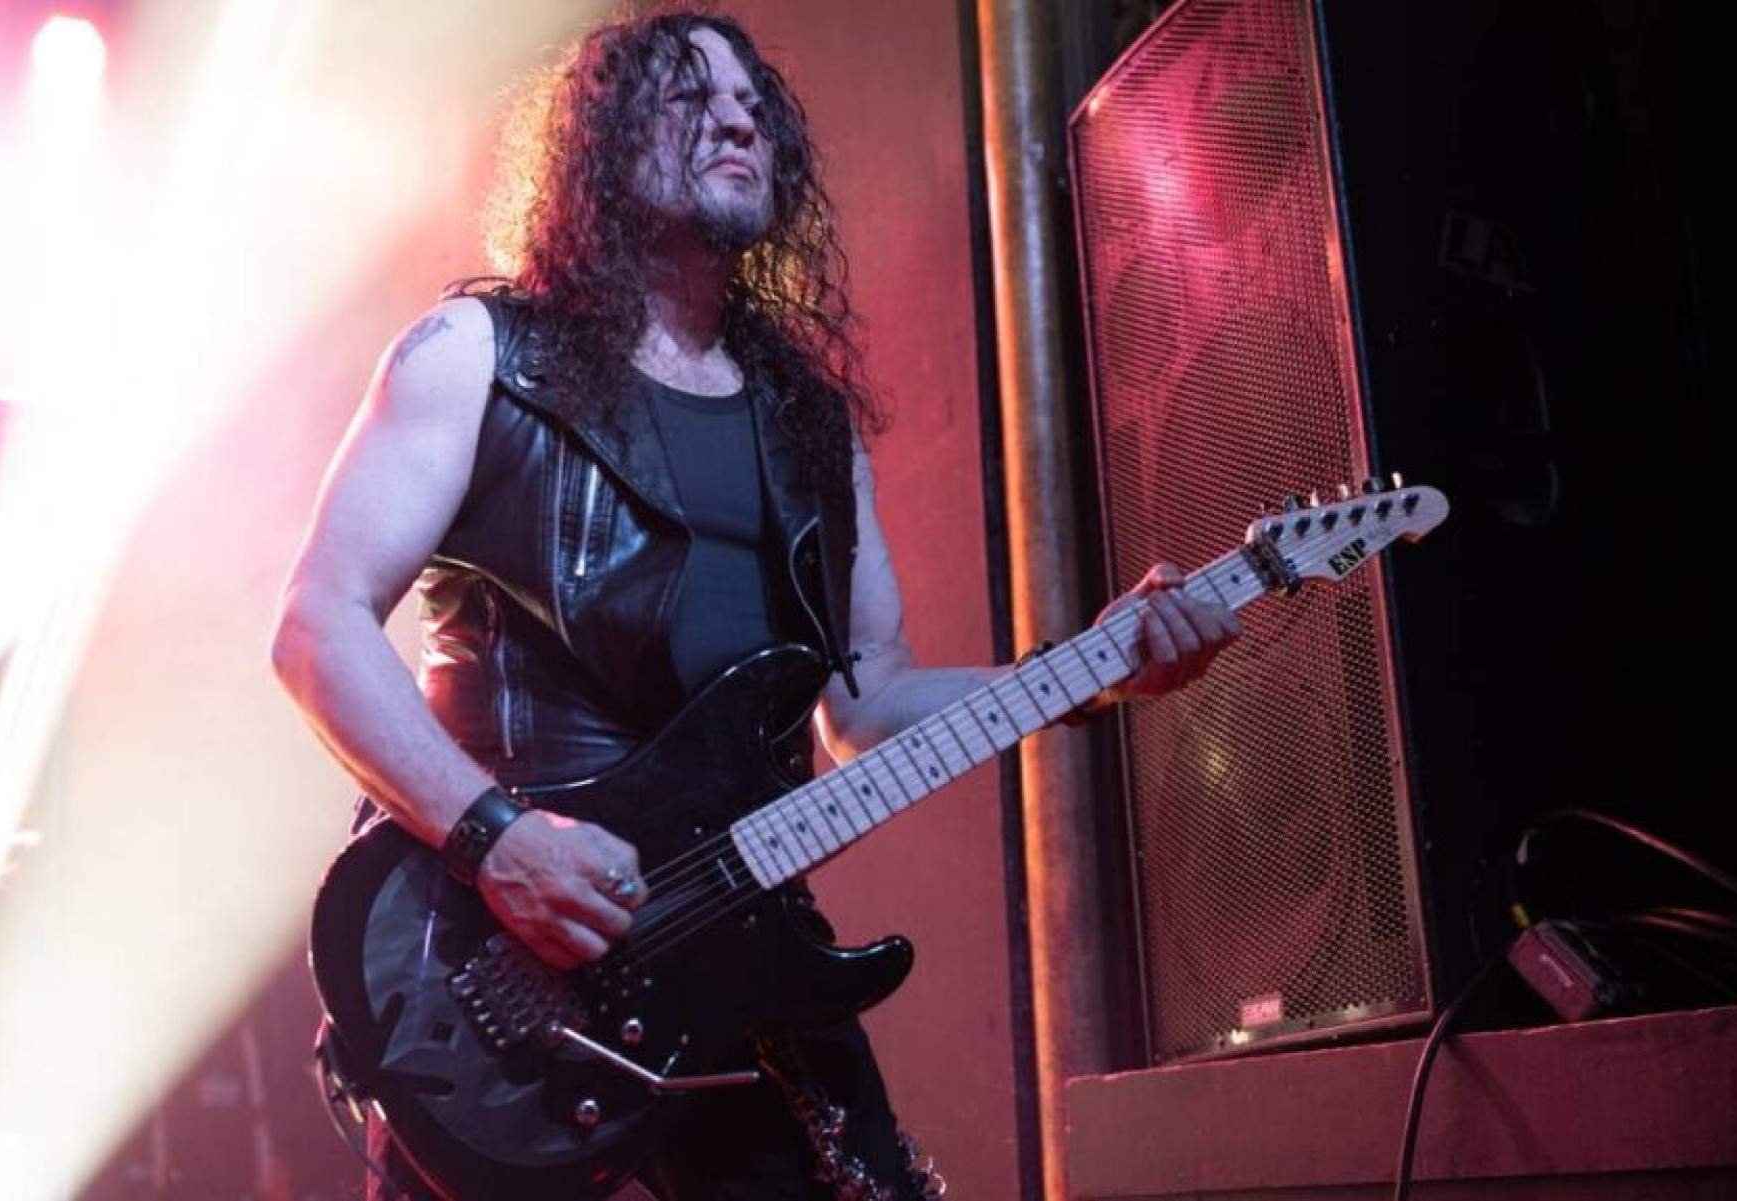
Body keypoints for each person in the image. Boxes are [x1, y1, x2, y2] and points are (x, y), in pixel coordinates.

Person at [270, 10, 1239, 1198]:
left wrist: (1095, 668)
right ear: (600, 144)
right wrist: (496, 839)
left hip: (734, 949)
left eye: (753, 104)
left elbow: (867, 709)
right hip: (496, 962)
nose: (737, 119)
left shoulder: (807, 425)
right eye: (690, 97)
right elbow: (317, 626)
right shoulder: (474, 356)